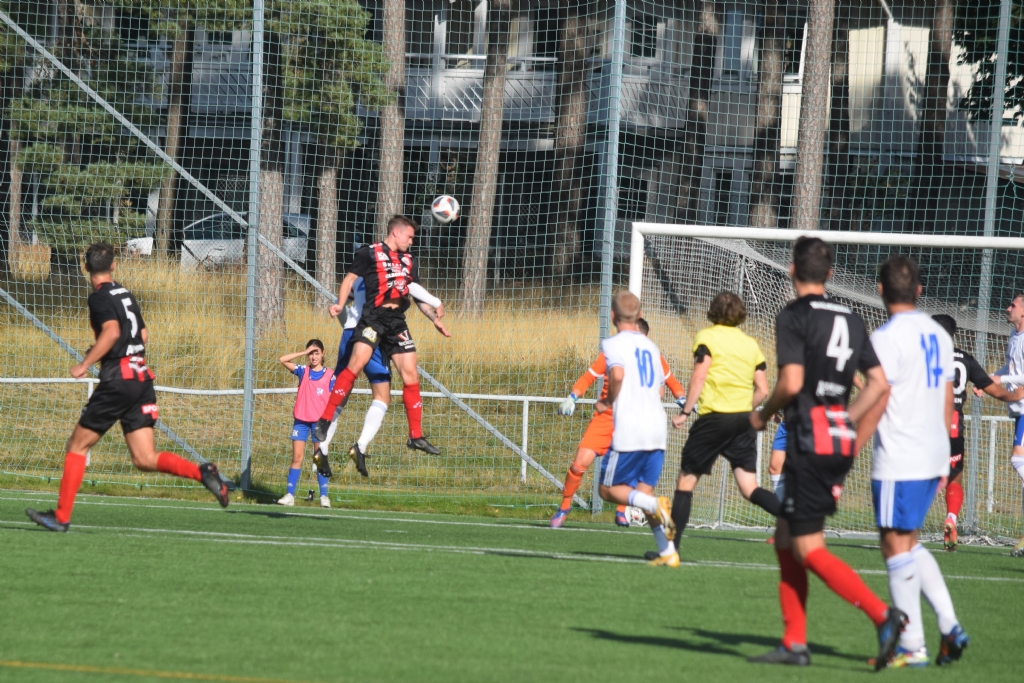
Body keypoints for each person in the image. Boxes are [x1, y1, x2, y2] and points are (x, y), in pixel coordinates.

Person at [748, 237, 905, 669]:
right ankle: (794, 643)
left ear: (791, 270)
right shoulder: (852, 318)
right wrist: (844, 419)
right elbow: (879, 384)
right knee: (785, 539)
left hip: (807, 443)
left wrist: (762, 415)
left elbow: (792, 382)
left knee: (808, 548)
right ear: (831, 274)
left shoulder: (794, 315)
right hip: (833, 441)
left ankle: (883, 616)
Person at [26, 243, 229, 532]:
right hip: (141, 378)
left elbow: (112, 332)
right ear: (113, 266)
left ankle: (61, 516)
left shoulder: (98, 297)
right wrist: (110, 349)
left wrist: (85, 363)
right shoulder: (124, 293)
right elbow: (142, 334)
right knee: (144, 458)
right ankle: (203, 472)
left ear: (86, 268)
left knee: (77, 446)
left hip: (119, 380)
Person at [854, 256, 970, 668]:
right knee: (908, 543)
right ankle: (948, 627)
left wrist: (848, 441)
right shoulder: (938, 335)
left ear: (880, 290)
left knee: (894, 545)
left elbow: (878, 395)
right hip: (933, 451)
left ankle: (913, 644)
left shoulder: (886, 337)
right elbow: (946, 395)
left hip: (900, 456)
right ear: (919, 290)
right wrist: (943, 452)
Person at [312, 216, 450, 477]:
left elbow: (413, 289)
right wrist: (340, 306)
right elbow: (349, 281)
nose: (412, 241)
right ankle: (328, 427)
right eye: (410, 236)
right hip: (370, 320)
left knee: (409, 375)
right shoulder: (369, 254)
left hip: (396, 322)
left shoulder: (408, 260)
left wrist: (434, 315)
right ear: (396, 232)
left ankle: (415, 436)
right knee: (365, 382)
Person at [669, 291, 782, 551]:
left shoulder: (707, 337)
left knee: (686, 482)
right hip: (743, 422)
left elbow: (699, 376)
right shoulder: (751, 344)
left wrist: (685, 412)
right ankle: (798, 519)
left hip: (714, 420)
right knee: (749, 488)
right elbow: (763, 390)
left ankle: (670, 550)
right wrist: (743, 409)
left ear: (713, 311)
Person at [552, 317, 685, 528]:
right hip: (605, 419)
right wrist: (572, 397)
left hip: (631, 422)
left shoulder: (652, 357)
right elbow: (588, 377)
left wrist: (683, 399)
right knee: (579, 463)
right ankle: (565, 506)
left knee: (628, 472)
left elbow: (672, 382)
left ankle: (622, 511)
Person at [594, 292, 676, 565]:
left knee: (606, 490)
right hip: (657, 428)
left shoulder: (612, 344)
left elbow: (617, 375)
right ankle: (667, 551)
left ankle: (656, 506)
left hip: (631, 430)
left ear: (613, 316)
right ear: (639, 315)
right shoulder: (651, 347)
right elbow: (660, 390)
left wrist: (607, 401)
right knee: (643, 493)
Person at [931, 314, 1023, 551]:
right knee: (955, 477)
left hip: (926, 424)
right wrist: (1014, 395)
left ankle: (904, 527)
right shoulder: (965, 359)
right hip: (954, 425)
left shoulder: (923, 356)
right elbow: (993, 389)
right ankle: (951, 517)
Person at [988, 293, 1024, 557]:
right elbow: (1010, 369)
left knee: (1017, 459)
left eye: (1013, 305)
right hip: (1019, 409)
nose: (1007, 307)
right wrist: (989, 377)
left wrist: (1000, 381)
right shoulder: (1014, 336)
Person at [277, 340, 333, 507]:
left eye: (317, 353)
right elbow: (283, 359)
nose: (314, 357)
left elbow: (334, 399)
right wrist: (303, 352)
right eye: (311, 353)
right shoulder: (303, 371)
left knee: (319, 458)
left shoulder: (330, 375)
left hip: (319, 423)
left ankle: (324, 497)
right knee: (297, 457)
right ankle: (290, 495)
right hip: (301, 421)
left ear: (322, 354)